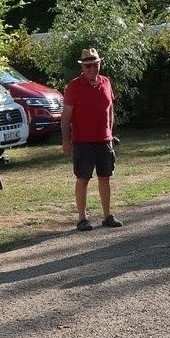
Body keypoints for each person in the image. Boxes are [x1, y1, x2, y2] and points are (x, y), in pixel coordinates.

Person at [60, 47, 123, 231]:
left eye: (95, 65)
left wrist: (110, 133)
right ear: (82, 67)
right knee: (83, 178)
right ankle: (82, 218)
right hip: (82, 140)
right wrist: (66, 140)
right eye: (88, 66)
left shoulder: (106, 82)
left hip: (104, 139)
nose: (92, 69)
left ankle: (107, 215)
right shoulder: (74, 86)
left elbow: (110, 109)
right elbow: (66, 116)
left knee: (105, 177)